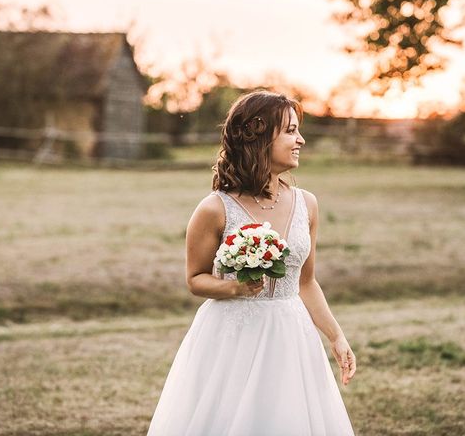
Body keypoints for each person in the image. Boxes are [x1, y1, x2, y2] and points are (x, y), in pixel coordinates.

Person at [147, 90, 356, 435]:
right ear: (259, 137)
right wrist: (234, 287)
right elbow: (195, 278)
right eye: (290, 131)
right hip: (232, 338)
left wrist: (336, 336)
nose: (300, 139)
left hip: (291, 335)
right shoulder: (215, 208)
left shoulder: (308, 204)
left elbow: (305, 282)